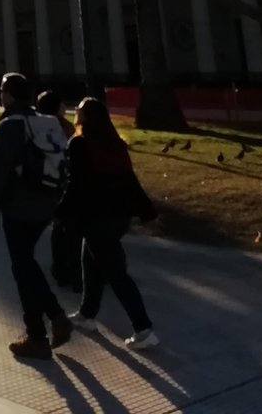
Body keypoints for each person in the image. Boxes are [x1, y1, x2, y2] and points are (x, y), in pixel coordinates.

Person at [0, 72, 71, 361]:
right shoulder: (43, 121)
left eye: (1, 90)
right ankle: (48, 323)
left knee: (23, 266)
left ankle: (42, 331)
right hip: (47, 202)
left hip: (20, 205)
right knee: (24, 263)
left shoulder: (10, 125)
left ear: (8, 95)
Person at [56, 97, 158, 349]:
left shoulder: (80, 144)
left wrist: (60, 211)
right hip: (119, 216)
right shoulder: (115, 144)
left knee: (116, 274)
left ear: (87, 117)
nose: (75, 110)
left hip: (98, 216)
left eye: (78, 108)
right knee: (89, 258)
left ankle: (144, 330)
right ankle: (87, 314)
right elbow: (129, 179)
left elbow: (76, 185)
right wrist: (146, 210)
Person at [36, 90, 81, 293]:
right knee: (70, 229)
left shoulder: (35, 126)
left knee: (59, 228)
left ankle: (60, 269)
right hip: (66, 182)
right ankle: (72, 270)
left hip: (47, 184)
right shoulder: (64, 126)